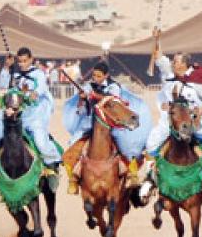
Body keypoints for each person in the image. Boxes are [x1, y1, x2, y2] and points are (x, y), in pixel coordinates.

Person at [146, 37, 202, 188]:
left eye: (176, 61)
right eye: (173, 61)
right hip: (173, 122)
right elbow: (160, 58)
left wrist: (198, 112)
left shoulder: (196, 79)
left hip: (196, 123)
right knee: (152, 145)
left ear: (184, 64)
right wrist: (157, 39)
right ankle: (150, 178)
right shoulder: (170, 76)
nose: (173, 63)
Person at [62, 61, 151, 194]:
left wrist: (92, 96)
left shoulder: (113, 86)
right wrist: (82, 98)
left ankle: (132, 173)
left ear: (106, 75)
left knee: (124, 143)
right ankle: (74, 178)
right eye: (94, 76)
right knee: (72, 143)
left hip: (111, 122)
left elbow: (111, 100)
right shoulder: (89, 86)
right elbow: (83, 104)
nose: (95, 79)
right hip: (90, 122)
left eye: (98, 76)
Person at [0, 47, 61, 176]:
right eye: (19, 61)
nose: (22, 64)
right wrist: (7, 67)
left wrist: (34, 93)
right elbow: (3, 84)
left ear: (31, 59)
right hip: (15, 114)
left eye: (25, 61)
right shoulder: (15, 74)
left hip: (34, 115)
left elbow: (41, 87)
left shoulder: (38, 74)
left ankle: (51, 165)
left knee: (40, 141)